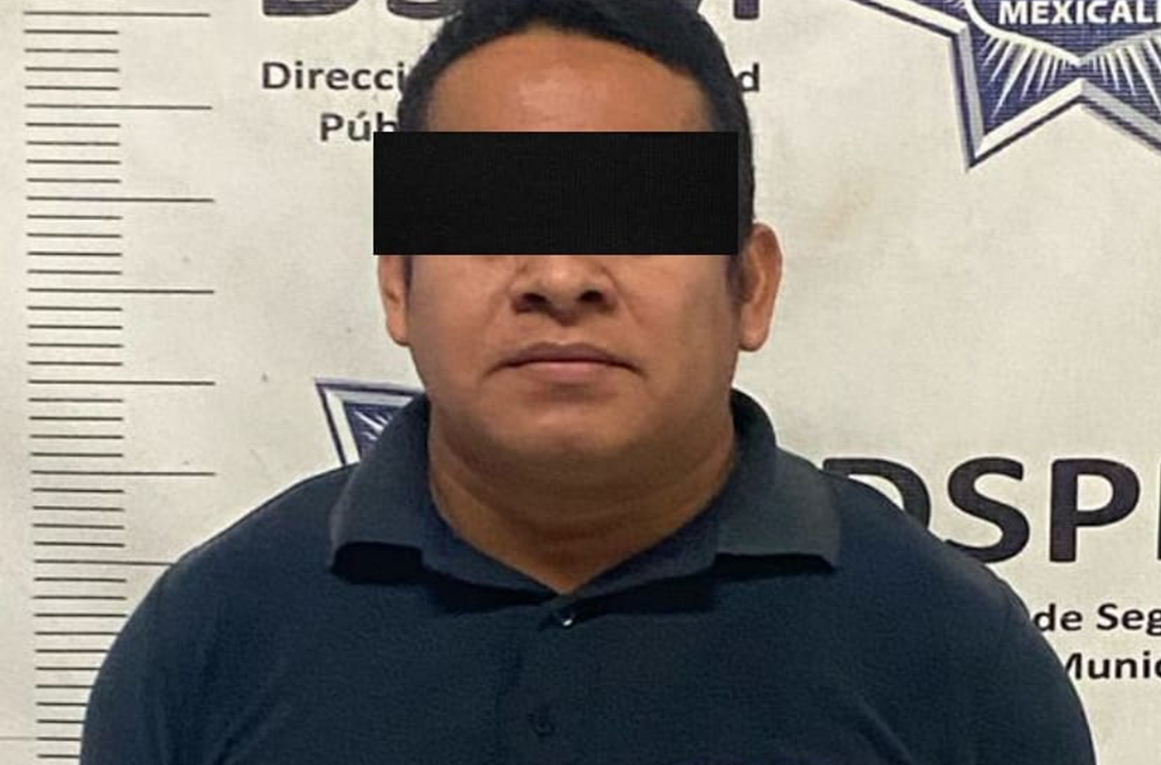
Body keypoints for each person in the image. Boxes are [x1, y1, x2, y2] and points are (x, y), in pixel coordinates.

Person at [81, 1, 1096, 763]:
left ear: (750, 286)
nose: (562, 278)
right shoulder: (211, 636)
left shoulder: (950, 650)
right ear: (398, 286)